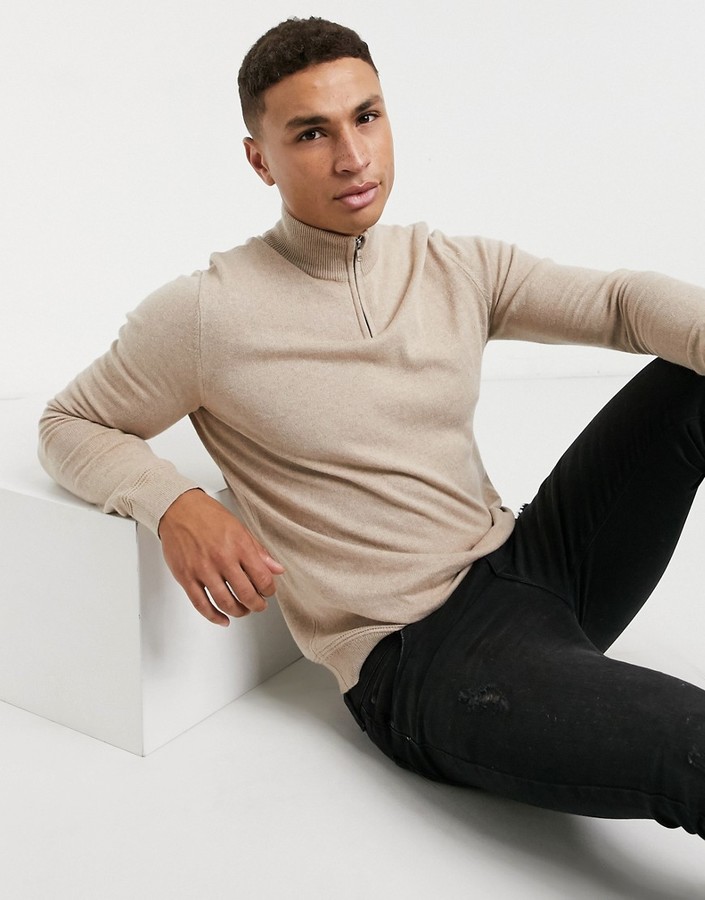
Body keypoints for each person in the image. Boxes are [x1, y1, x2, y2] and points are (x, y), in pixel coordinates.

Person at [39, 16, 705, 837]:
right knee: (692, 745)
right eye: (311, 133)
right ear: (259, 159)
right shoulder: (206, 314)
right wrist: (174, 503)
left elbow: (621, 303)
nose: (353, 157)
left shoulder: (451, 265)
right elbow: (69, 421)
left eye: (366, 116)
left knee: (690, 380)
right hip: (426, 658)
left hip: (534, 563)